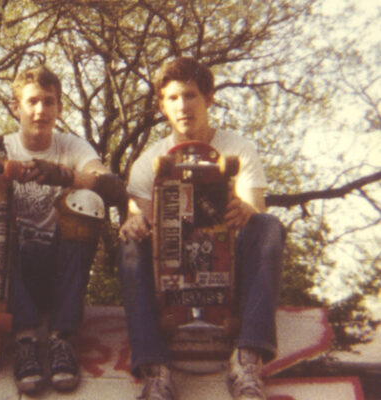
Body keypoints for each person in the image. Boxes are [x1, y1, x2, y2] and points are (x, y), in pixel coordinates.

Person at [118, 57, 286, 400]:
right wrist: (134, 222)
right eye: (173, 98)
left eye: (191, 95)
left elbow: (255, 206)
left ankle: (247, 357)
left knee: (268, 225)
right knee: (129, 243)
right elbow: (141, 220)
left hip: (228, 266)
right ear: (162, 106)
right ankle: (155, 369)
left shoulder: (238, 148)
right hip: (171, 272)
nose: (183, 106)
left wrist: (245, 208)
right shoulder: (148, 162)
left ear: (209, 98)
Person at [0, 65, 126, 394]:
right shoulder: (0, 146)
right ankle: (25, 340)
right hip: (11, 273)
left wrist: (66, 176)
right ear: (15, 107)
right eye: (32, 101)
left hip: (58, 270)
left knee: (88, 199)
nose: (40, 110)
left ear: (59, 108)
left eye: (49, 102)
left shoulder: (73, 147)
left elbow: (113, 187)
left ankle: (62, 336)